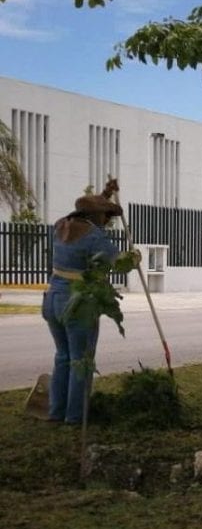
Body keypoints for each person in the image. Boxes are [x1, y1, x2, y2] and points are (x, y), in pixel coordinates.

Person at [43, 181, 125, 424]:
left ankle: (56, 412)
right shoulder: (93, 236)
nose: (107, 221)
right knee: (81, 360)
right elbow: (117, 261)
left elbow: (90, 209)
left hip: (52, 298)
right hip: (78, 302)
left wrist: (106, 194)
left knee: (63, 356)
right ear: (94, 216)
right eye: (105, 216)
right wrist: (133, 257)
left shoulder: (60, 225)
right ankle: (75, 416)